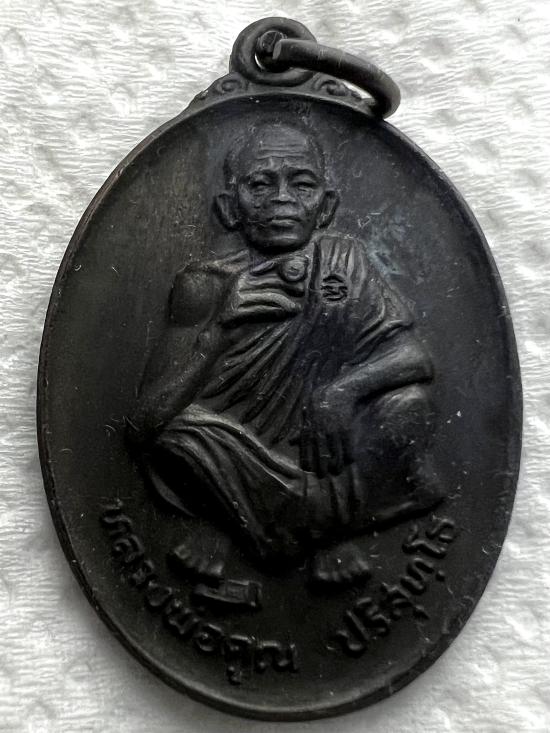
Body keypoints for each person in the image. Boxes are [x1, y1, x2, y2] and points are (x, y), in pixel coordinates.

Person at [128, 120, 443, 584]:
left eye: (302, 184)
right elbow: (143, 424)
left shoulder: (346, 264)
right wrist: (215, 335)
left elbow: (414, 357)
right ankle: (320, 531)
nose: (281, 199)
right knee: (176, 441)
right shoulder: (204, 284)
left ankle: (247, 529)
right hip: (234, 459)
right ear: (229, 207)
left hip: (326, 455)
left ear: (326, 206)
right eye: (260, 184)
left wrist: (339, 393)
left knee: (409, 404)